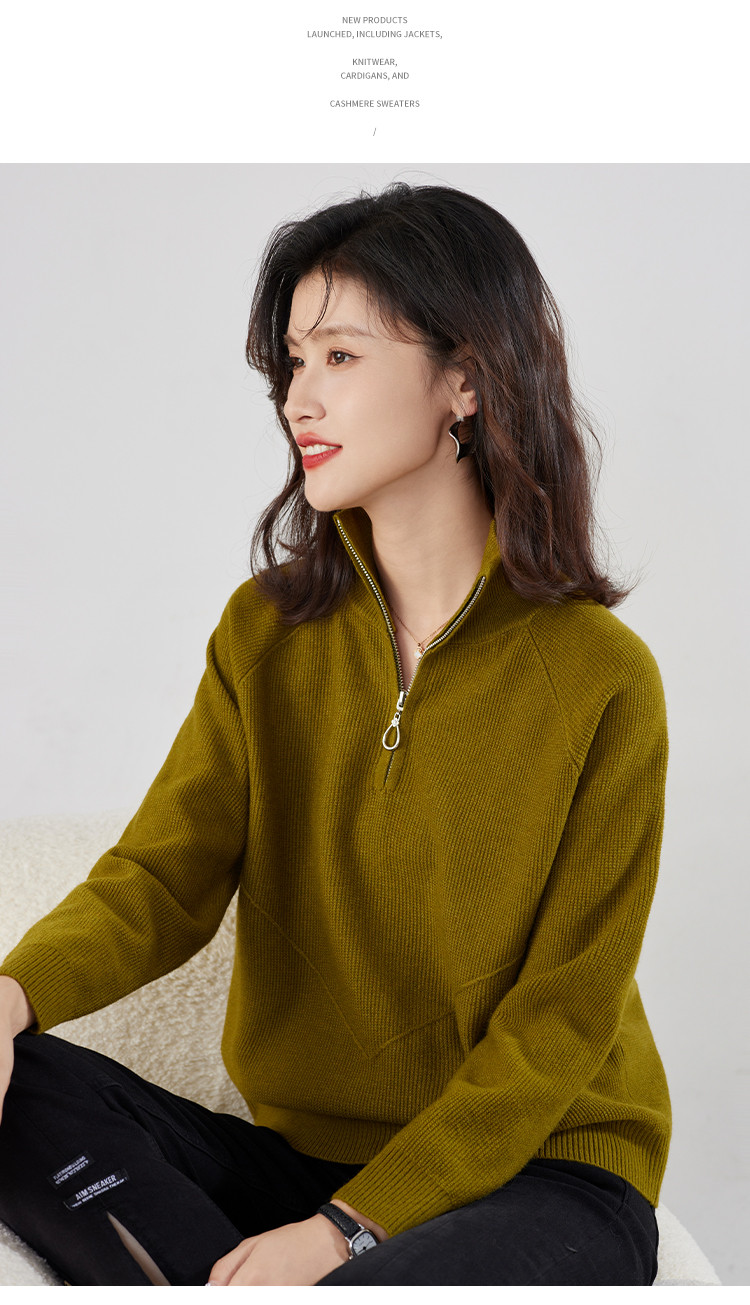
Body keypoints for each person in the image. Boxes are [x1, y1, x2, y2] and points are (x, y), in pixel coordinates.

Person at [0, 182, 670, 1286]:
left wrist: (348, 1231)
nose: (298, 401)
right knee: (21, 1087)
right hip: (301, 1164)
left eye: (341, 358)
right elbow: (162, 878)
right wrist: (12, 994)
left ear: (466, 379)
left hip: (538, 1174)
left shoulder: (601, 679)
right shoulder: (266, 634)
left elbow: (559, 1021)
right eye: (292, 364)